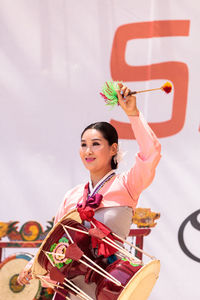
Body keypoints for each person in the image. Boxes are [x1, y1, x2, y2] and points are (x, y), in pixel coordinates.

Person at [17, 83, 161, 299]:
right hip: (69, 291)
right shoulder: (72, 196)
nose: (88, 151)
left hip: (111, 288)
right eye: (83, 145)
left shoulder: (126, 184)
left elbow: (151, 153)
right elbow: (53, 243)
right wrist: (33, 264)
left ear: (113, 149)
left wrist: (133, 114)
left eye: (95, 144)